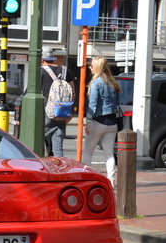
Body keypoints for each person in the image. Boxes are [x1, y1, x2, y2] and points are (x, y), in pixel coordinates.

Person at [82, 56, 122, 187]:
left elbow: (92, 104)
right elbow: (116, 104)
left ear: (97, 67)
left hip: (98, 121)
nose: (90, 68)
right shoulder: (113, 82)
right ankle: (111, 181)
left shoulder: (95, 83)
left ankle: (85, 179)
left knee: (88, 152)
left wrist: (88, 121)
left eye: (91, 65)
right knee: (109, 153)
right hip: (112, 123)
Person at [41, 46, 75, 157]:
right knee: (58, 147)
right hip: (62, 111)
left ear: (42, 59)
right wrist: (69, 111)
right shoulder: (66, 70)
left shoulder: (41, 71)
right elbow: (72, 93)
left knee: (38, 140)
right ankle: (59, 168)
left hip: (48, 111)